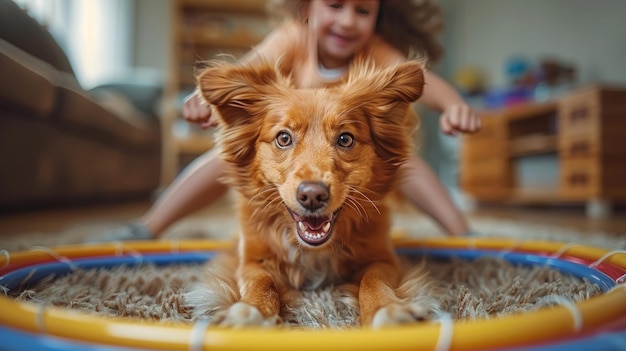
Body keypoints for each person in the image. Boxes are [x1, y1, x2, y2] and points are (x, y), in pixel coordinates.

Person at [100, 0, 481, 242]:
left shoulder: (375, 51)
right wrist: (206, 98)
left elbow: (424, 81)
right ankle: (148, 226)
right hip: (289, 156)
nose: (348, 20)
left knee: (407, 163)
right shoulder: (293, 38)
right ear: (307, 9)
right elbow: (247, 67)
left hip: (345, 161)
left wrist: (453, 105)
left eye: (363, 11)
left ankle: (465, 236)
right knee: (222, 161)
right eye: (335, 5)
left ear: (378, 16)